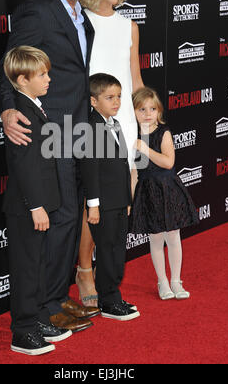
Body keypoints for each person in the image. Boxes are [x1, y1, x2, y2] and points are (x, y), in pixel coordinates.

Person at [0, 0, 100, 333]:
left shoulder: (81, 16)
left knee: (69, 218)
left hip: (76, 131)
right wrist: (7, 109)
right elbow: (11, 65)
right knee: (55, 221)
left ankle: (55, 298)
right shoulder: (38, 12)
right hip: (46, 134)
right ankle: (41, 307)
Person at [76, 0, 144, 306]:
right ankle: (84, 269)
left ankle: (108, 277)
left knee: (118, 205)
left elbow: (134, 78)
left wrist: (145, 118)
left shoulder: (130, 26)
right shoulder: (81, 21)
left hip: (124, 122)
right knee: (95, 201)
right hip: (92, 120)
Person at [3, 46, 72, 355]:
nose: (48, 79)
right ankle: (23, 332)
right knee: (27, 269)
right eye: (42, 74)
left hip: (41, 202)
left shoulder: (33, 105)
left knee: (41, 266)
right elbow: (24, 165)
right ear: (21, 79)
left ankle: (38, 319)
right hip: (27, 207)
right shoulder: (21, 113)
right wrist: (35, 205)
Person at [80, 73, 140, 320]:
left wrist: (127, 199)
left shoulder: (113, 123)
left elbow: (122, 167)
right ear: (93, 101)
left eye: (118, 97)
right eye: (109, 97)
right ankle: (108, 300)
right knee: (106, 251)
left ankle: (113, 296)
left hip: (118, 201)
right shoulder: (91, 127)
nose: (116, 102)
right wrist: (93, 205)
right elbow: (90, 169)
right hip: (102, 203)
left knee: (117, 249)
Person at [130, 87, 199, 300]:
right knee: (156, 237)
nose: (148, 113)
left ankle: (177, 281)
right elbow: (133, 171)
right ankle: (162, 282)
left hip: (167, 188)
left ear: (159, 111)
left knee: (173, 235)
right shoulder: (133, 135)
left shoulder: (163, 132)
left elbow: (168, 162)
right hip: (147, 191)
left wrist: (145, 148)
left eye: (152, 108)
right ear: (133, 112)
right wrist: (131, 199)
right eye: (142, 109)